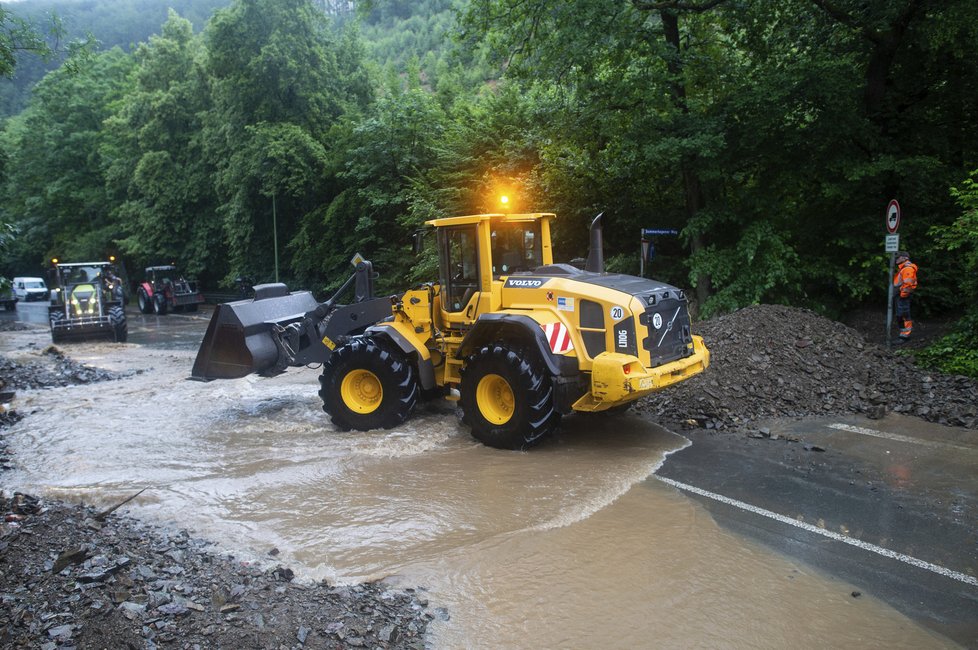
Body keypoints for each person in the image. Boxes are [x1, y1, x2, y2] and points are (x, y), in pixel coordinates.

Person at [893, 250, 918, 341]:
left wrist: (903, 295)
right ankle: (903, 334)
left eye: (898, 257)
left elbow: (908, 284)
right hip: (901, 295)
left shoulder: (907, 268)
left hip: (903, 295)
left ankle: (905, 336)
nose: (896, 259)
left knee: (903, 314)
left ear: (905, 258)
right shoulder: (904, 268)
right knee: (901, 314)